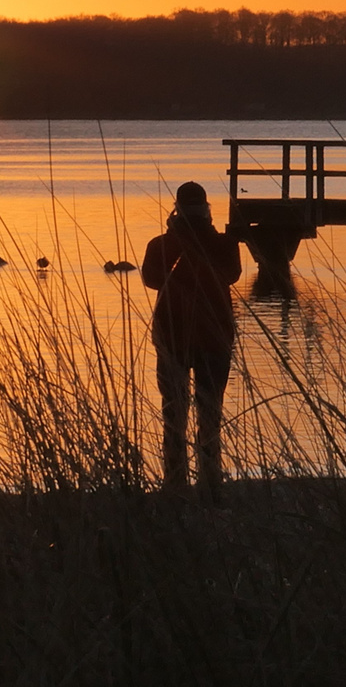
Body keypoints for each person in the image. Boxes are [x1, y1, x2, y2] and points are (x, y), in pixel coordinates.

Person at [141, 181, 243, 498]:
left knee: (174, 412)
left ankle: (175, 481)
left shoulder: (160, 244)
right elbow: (232, 276)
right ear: (207, 210)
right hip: (215, 338)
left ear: (176, 209)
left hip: (173, 337)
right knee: (209, 412)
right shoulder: (225, 244)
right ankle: (211, 481)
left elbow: (151, 279)